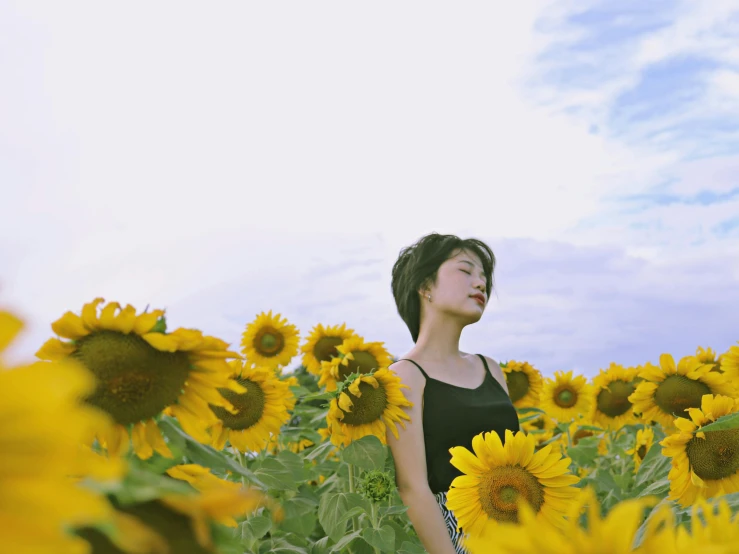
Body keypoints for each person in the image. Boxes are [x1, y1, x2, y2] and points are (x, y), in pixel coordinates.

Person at [386, 232, 520, 554]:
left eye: (484, 277)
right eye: (465, 270)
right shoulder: (406, 375)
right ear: (425, 286)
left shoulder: (490, 369)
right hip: (458, 532)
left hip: (519, 524)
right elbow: (413, 487)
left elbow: (519, 459)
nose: (481, 284)